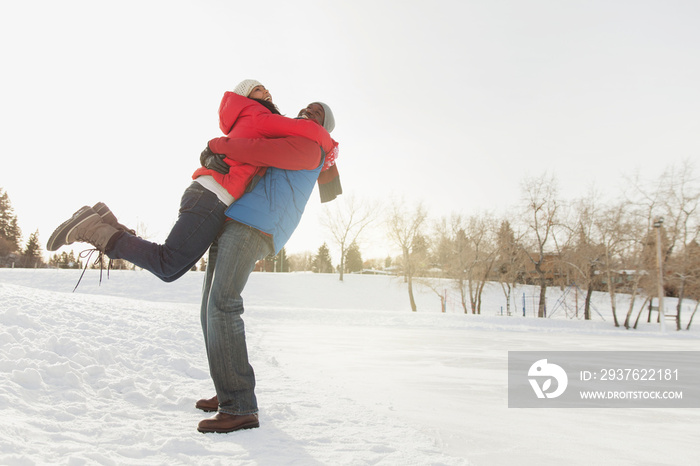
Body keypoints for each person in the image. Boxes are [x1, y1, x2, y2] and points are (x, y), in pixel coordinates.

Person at [46, 80, 338, 283]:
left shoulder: (256, 118)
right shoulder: (264, 117)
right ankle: (93, 228)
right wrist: (329, 145)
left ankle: (103, 222)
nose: (269, 92)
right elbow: (264, 145)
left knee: (170, 267)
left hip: (212, 198)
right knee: (168, 264)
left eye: (318, 112)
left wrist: (217, 146)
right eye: (261, 89)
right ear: (249, 96)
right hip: (214, 198)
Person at [195, 102, 339, 434]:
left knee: (223, 305)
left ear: (324, 127)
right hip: (237, 220)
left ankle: (240, 406)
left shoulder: (309, 145)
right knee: (209, 309)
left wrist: (218, 144)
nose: (307, 111)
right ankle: (227, 387)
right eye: (306, 106)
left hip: (255, 225)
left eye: (316, 112)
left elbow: (257, 151)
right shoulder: (295, 135)